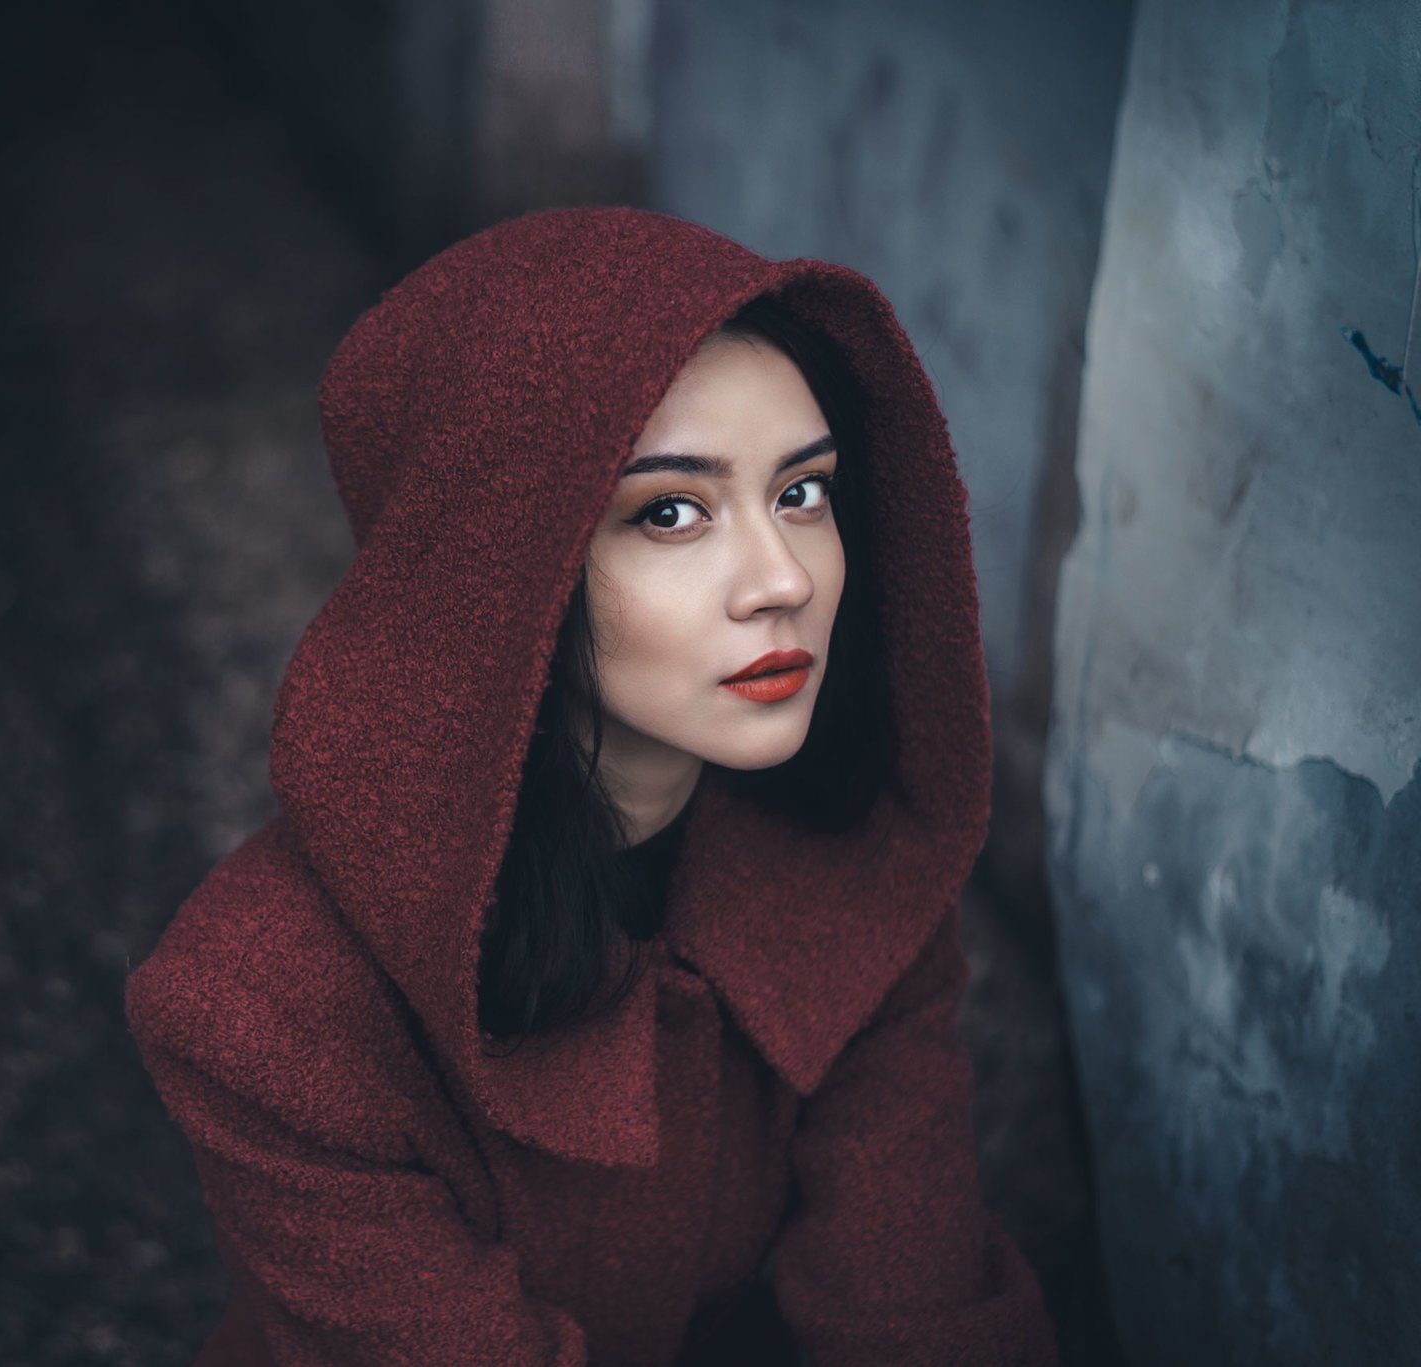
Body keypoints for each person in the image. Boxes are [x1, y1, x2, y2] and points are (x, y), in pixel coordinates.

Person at [123, 205, 1061, 1366]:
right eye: (669, 510)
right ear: (497, 573)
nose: (780, 579)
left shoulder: (857, 868)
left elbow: (913, 1311)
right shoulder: (262, 1005)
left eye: (802, 493)